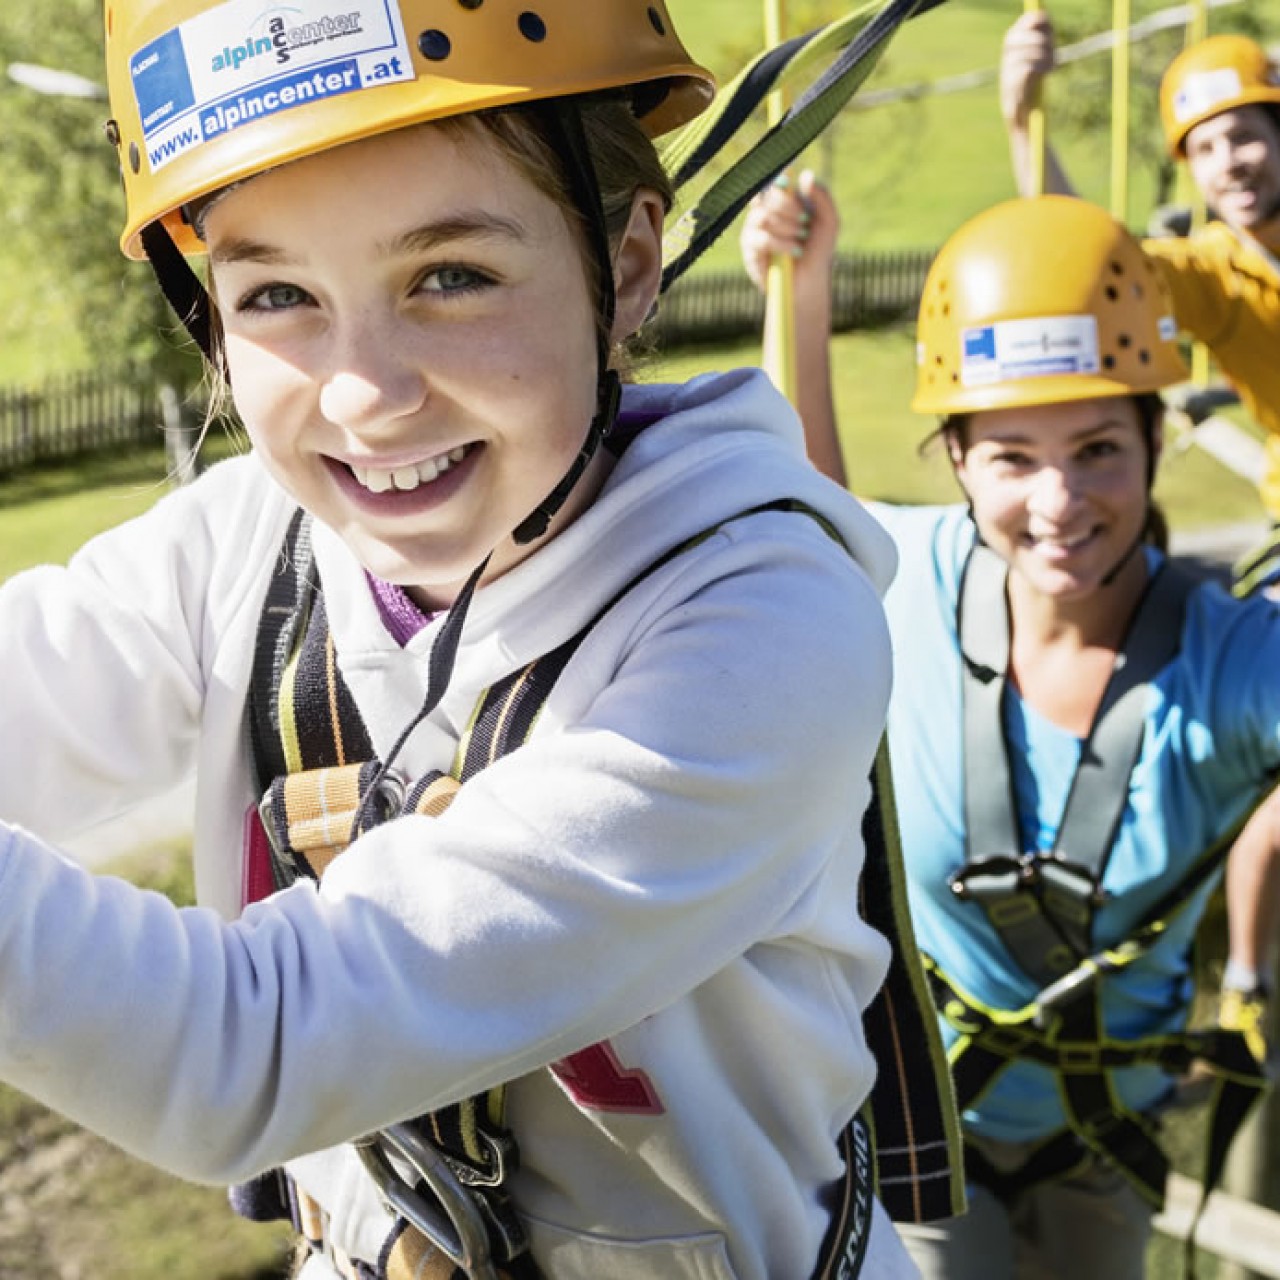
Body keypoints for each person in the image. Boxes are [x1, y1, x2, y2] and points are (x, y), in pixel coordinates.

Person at [0, 1, 951, 1277]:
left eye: (450, 276)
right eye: (277, 293)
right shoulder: (246, 545)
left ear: (621, 267)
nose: (364, 394)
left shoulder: (757, 626)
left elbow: (250, 1046)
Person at [741, 186, 1280, 1277]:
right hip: (922, 1136)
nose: (1058, 501)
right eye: (1010, 457)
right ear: (953, 462)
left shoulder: (1230, 664)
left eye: (1096, 449)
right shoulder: (908, 590)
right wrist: (798, 294)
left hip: (1106, 1142)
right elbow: (803, 504)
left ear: (1152, 440)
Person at [1001, 9, 1280, 598]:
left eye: (1244, 136)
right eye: (1203, 150)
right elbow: (1095, 261)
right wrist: (1024, 119)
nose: (1227, 163)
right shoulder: (1214, 275)